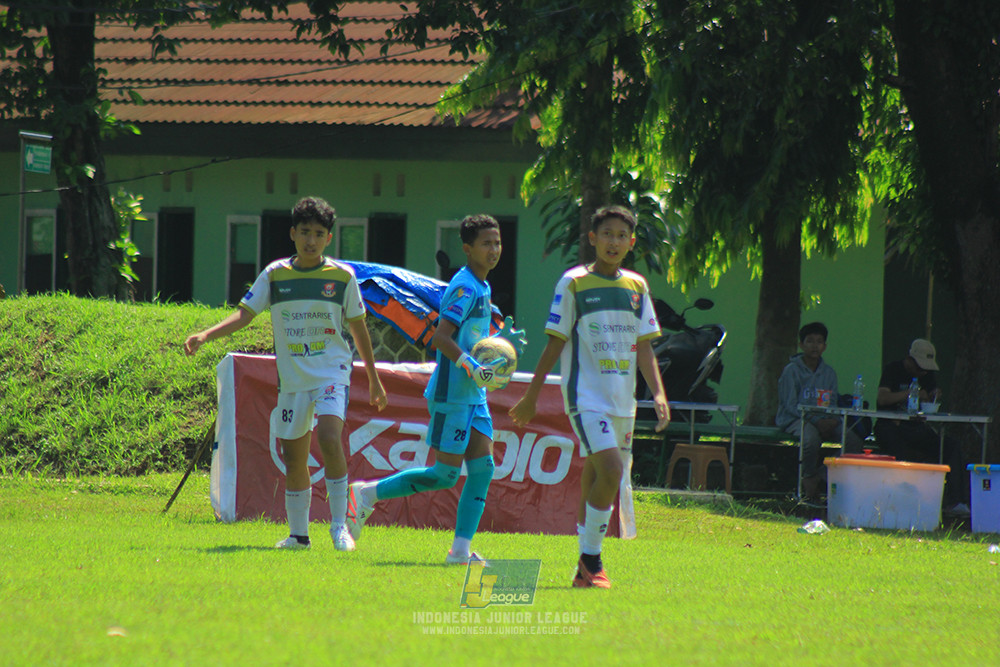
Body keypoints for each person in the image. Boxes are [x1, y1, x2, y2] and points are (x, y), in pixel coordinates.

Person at [184, 196, 388, 551]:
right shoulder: (276, 274)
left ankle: (340, 527)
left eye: (319, 233)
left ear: (329, 238)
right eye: (305, 232)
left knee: (328, 436)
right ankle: (299, 535)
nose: (311, 240)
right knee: (294, 456)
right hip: (292, 380)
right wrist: (205, 334)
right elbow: (245, 314)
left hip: (331, 372)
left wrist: (373, 378)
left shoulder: (342, 277)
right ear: (293, 234)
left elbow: (358, 328)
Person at [345, 214, 527, 564]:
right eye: (486, 243)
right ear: (467, 248)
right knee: (444, 475)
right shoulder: (465, 287)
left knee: (483, 469)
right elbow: (440, 338)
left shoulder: (483, 286)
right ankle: (366, 495)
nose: (494, 249)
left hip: (475, 396)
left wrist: (498, 348)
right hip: (452, 395)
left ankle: (459, 551)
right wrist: (473, 366)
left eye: (498, 242)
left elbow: (471, 339)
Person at [509, 204, 670, 589]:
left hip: (623, 403)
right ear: (592, 239)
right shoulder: (573, 283)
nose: (614, 242)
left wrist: (659, 394)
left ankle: (582, 570)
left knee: (597, 474)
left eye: (621, 236)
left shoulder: (637, 287)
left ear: (631, 243)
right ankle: (592, 559)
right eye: (607, 234)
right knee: (612, 471)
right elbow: (554, 344)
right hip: (586, 399)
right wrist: (532, 395)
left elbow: (645, 347)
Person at [874, 338, 970, 514]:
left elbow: (929, 398)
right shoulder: (892, 370)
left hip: (916, 427)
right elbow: (882, 398)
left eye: (926, 368)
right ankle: (903, 501)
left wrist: (933, 396)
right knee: (901, 451)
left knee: (951, 447)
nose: (923, 372)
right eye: (919, 367)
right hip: (890, 426)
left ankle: (957, 501)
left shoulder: (927, 375)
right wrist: (910, 393)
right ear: (909, 359)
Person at [775, 322, 864, 500]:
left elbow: (831, 402)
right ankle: (807, 477)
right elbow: (790, 405)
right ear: (801, 345)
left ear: (824, 346)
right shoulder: (791, 371)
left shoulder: (829, 373)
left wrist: (832, 420)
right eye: (810, 341)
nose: (814, 346)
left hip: (825, 419)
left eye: (819, 342)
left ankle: (820, 476)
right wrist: (815, 421)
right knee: (811, 439)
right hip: (795, 419)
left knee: (853, 442)